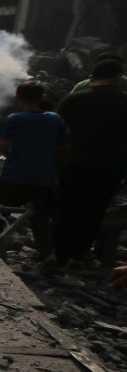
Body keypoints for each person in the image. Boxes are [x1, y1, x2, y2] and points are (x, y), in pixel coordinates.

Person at [53, 57, 127, 269]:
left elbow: (56, 131)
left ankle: (58, 255)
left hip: (74, 163)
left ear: (92, 76)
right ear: (118, 77)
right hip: (110, 167)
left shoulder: (74, 99)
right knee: (94, 210)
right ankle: (78, 256)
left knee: (65, 207)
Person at [0, 81, 64, 262]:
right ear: (43, 98)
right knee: (40, 217)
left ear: (17, 98)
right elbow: (63, 146)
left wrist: (11, 157)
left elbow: (3, 145)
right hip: (43, 177)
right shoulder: (55, 119)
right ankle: (47, 254)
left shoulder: (14, 118)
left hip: (14, 175)